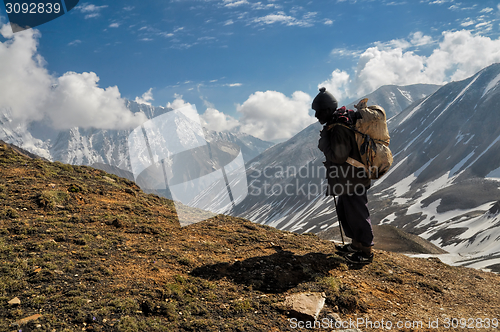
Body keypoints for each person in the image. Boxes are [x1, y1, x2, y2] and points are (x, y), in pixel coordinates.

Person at [312, 87, 374, 265]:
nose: (316, 116)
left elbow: (339, 156)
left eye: (318, 111)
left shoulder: (339, 128)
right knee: (346, 212)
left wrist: (324, 145)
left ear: (327, 110)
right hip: (349, 179)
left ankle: (366, 251)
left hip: (352, 179)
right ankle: (356, 245)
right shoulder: (338, 124)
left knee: (357, 213)